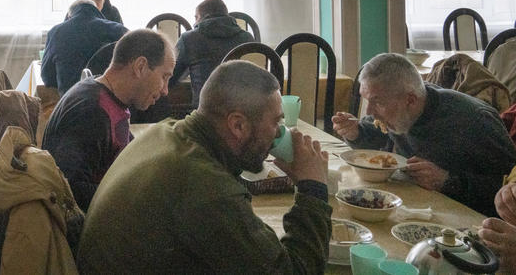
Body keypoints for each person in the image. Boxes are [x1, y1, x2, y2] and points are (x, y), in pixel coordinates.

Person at [77, 61, 331, 274]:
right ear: (238, 126)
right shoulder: (204, 185)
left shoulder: (165, 132)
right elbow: (295, 270)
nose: (279, 134)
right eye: (276, 122)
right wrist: (313, 188)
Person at [333, 52, 516, 217]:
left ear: (410, 100)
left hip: (465, 223)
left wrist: (447, 181)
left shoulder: (475, 121)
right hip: (413, 205)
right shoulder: (396, 110)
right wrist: (355, 132)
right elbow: (372, 134)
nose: (369, 112)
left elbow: (508, 191)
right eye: (367, 101)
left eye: (377, 102)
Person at [41, 29, 175, 211]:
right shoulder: (90, 112)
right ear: (140, 67)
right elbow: (69, 190)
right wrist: (138, 194)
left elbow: (123, 146)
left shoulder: (107, 95)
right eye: (164, 77)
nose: (165, 90)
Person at [170, 0, 253, 105]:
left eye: (196, 18)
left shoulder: (189, 39)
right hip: (242, 110)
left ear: (203, 17)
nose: (194, 23)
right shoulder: (247, 38)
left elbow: (171, 76)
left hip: (205, 113)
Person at [41, 0, 128, 94]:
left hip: (71, 98)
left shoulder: (56, 32)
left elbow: (47, 77)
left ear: (69, 15)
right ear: (96, 11)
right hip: (112, 99)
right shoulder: (118, 30)